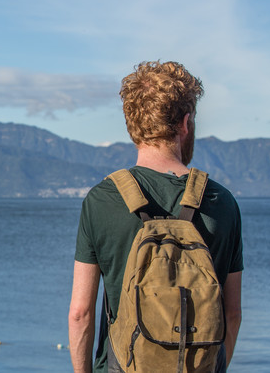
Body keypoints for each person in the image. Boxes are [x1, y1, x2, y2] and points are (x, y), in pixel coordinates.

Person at [68, 61, 243, 373]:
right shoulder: (222, 202)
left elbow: (80, 313)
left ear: (131, 124)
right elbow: (231, 313)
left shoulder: (102, 200)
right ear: (186, 122)